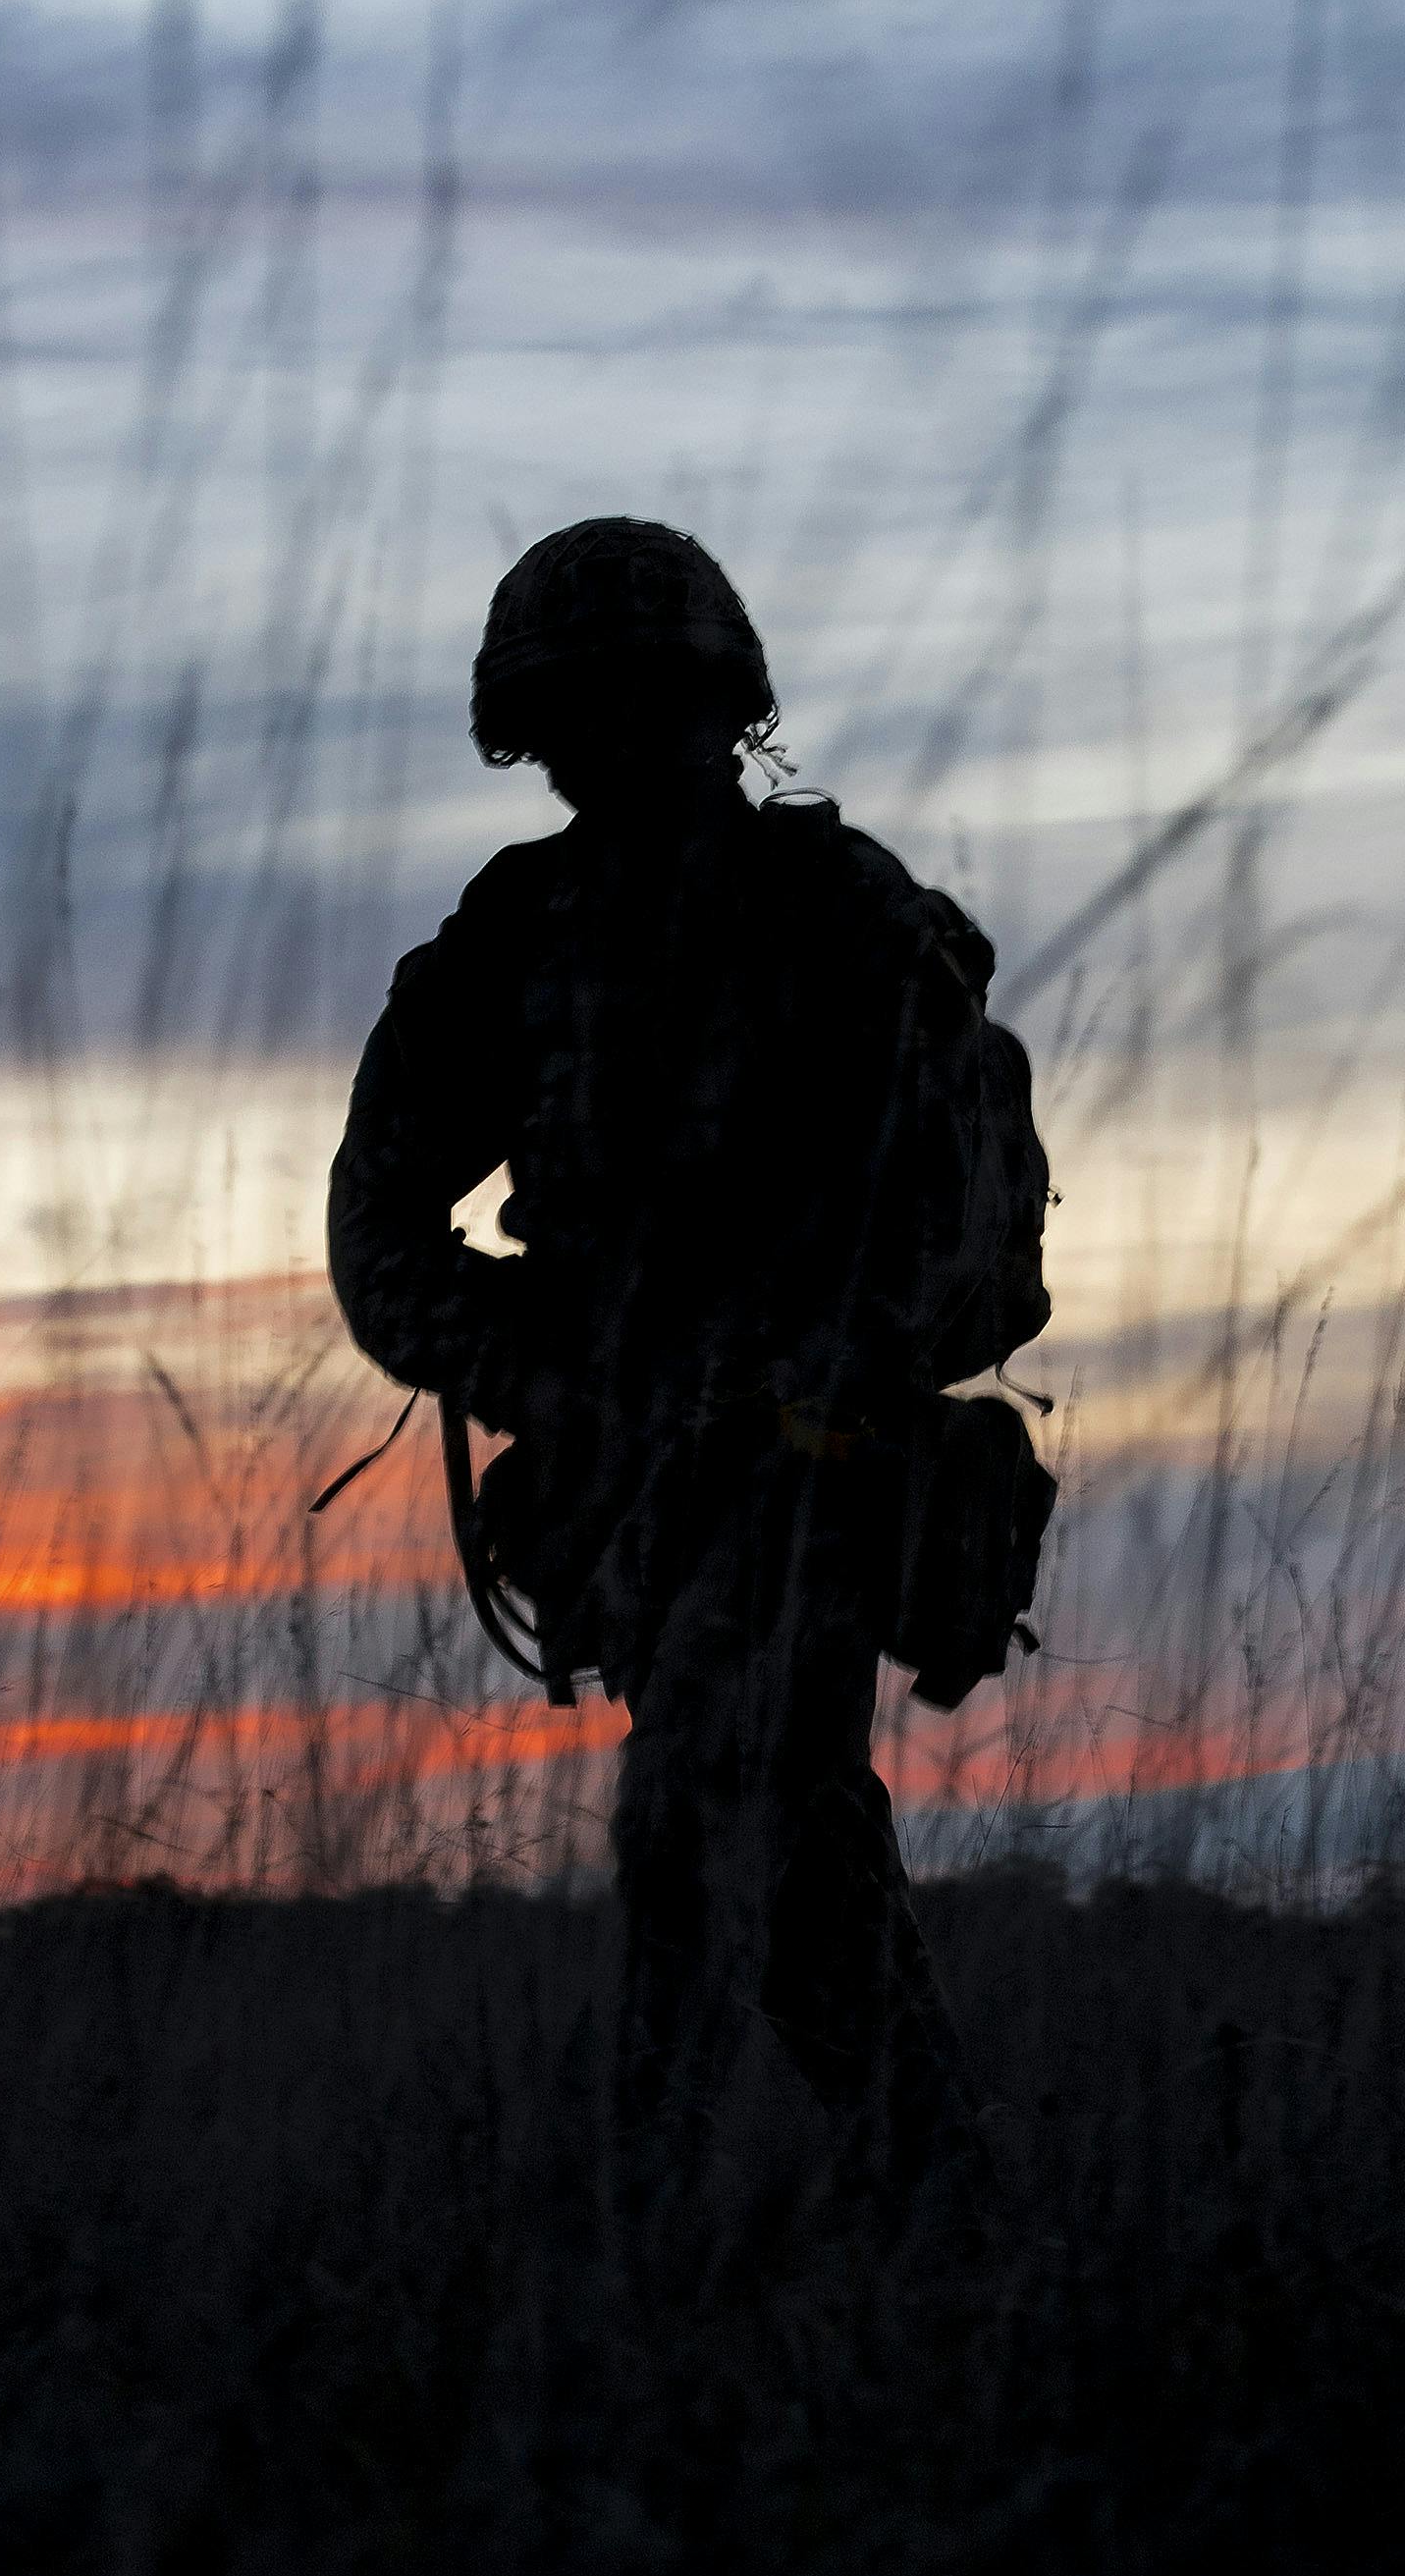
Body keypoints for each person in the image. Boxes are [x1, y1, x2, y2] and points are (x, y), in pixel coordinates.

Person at [325, 516, 1051, 2204]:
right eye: (576, 711)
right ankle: (955, 2217)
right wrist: (547, 1377)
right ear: (533, 730)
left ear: (721, 707)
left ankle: (631, 2239)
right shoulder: (509, 939)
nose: (614, 741)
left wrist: (812, 1369)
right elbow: (379, 1230)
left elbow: (974, 1228)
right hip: (628, 1485)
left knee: (692, 1824)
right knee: (792, 1844)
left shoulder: (844, 912)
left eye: (644, 701)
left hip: (813, 1471)